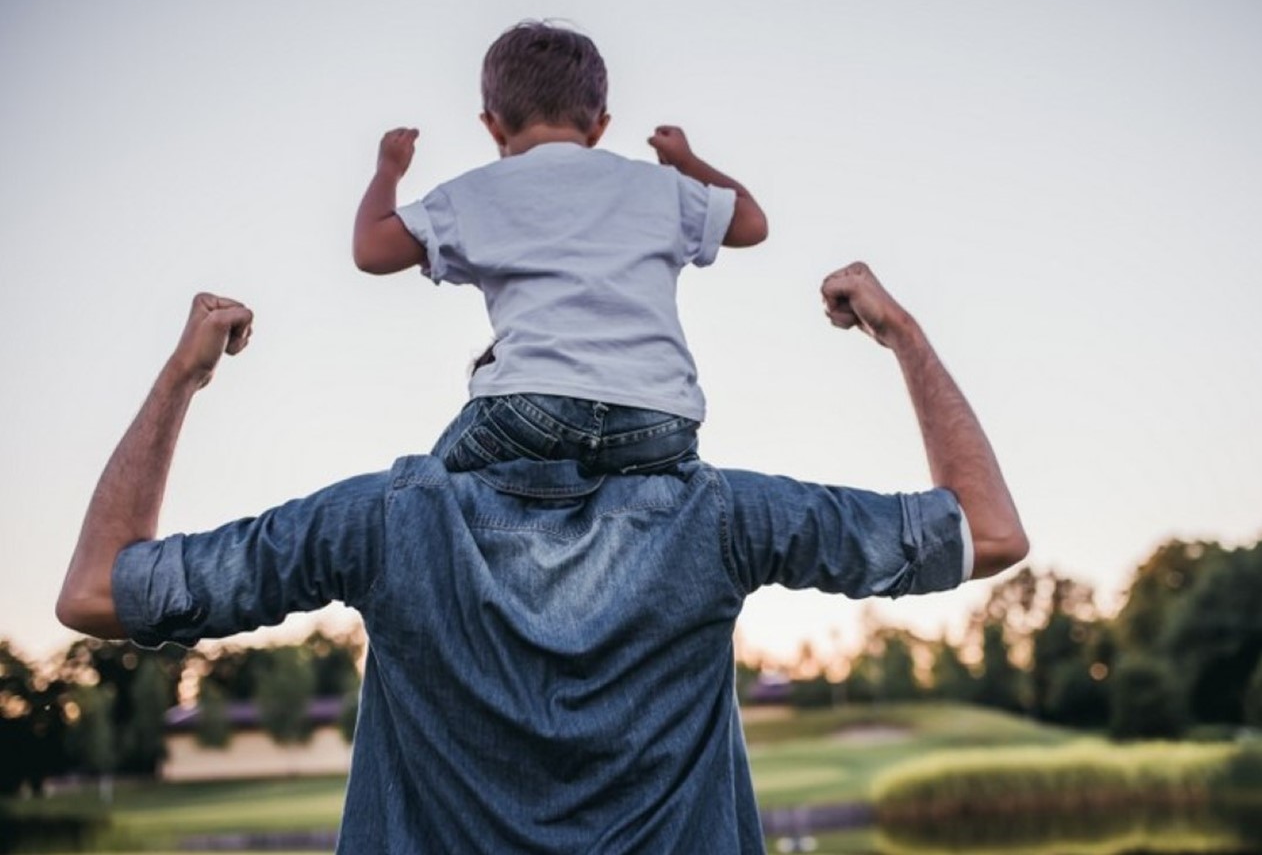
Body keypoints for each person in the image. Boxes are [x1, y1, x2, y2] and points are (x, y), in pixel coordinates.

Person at [56, 262, 1028, 853]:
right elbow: (987, 530)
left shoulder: (385, 521)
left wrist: (184, 374)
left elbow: (98, 588)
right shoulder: (719, 517)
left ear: (483, 390)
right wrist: (899, 332)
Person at [352, 21, 768, 475]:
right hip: (660, 419)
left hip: (532, 409)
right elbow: (752, 223)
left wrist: (388, 169)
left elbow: (371, 249)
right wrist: (686, 162)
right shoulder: (659, 186)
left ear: (492, 125)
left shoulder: (476, 193)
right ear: (600, 126)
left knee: (427, 491)